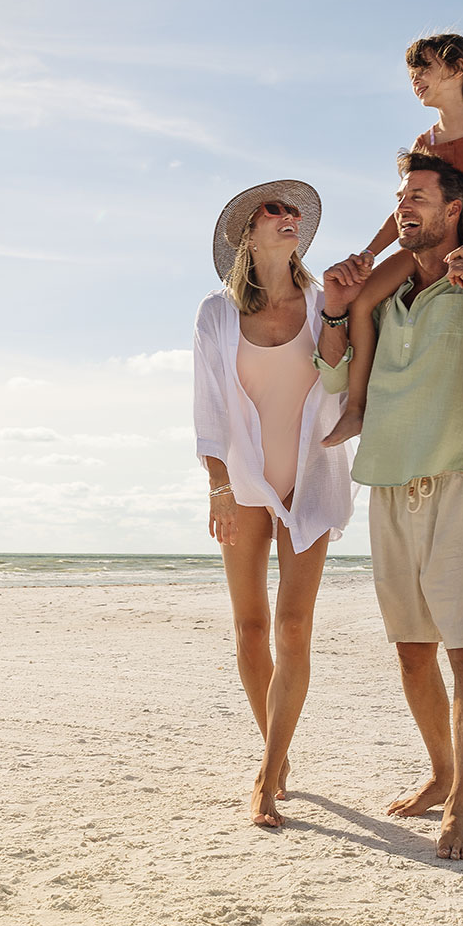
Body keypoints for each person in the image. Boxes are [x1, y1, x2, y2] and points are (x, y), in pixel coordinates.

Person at [316, 151, 463, 860]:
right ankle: (441, 773)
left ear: (456, 210)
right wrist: (333, 307)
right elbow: (332, 373)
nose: (403, 206)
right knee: (413, 655)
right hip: (388, 475)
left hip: (460, 474)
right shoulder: (380, 295)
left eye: (419, 194)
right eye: (399, 197)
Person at [192, 180, 355, 829]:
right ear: (247, 234)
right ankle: (276, 752)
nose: (288, 218)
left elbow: (346, 376)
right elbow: (206, 406)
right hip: (245, 485)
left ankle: (265, 774)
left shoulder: (322, 304)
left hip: (310, 481)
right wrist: (219, 485)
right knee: (252, 629)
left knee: (293, 629)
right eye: (274, 210)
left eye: (294, 212)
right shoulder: (216, 313)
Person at [322, 33, 463, 448]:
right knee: (362, 300)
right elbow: (407, 207)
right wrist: (369, 253)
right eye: (412, 72)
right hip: (431, 240)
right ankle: (356, 408)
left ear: (458, 69)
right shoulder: (424, 143)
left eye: (424, 68)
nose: (416, 78)